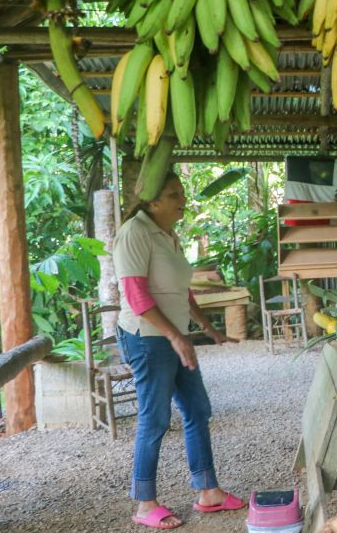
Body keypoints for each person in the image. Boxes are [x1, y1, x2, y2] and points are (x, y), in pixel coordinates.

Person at [112, 171, 244, 530]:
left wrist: (207, 327)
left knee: (198, 409)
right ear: (153, 202)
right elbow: (138, 298)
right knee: (154, 419)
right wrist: (176, 337)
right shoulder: (134, 234)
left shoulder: (169, 235)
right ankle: (144, 503)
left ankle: (208, 491)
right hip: (146, 338)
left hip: (172, 336)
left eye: (182, 193)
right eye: (174, 195)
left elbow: (181, 291)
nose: (182, 200)